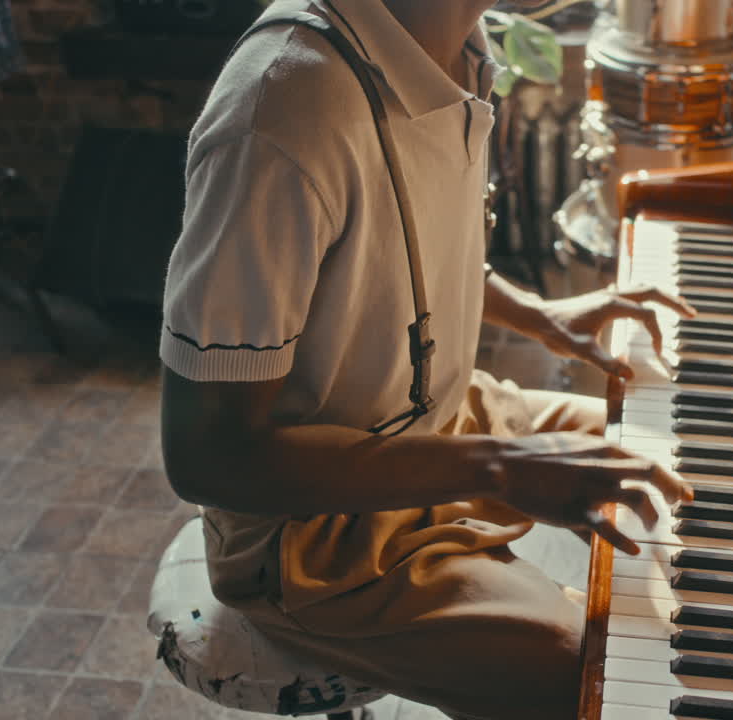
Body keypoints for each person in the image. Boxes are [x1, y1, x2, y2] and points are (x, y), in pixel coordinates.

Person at [158, 0, 693, 718]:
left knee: (684, 464)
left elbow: (380, 252)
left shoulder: (455, 43)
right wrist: (499, 465)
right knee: (594, 679)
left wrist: (540, 316)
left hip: (443, 413)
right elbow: (208, 458)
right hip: (310, 533)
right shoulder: (282, 111)